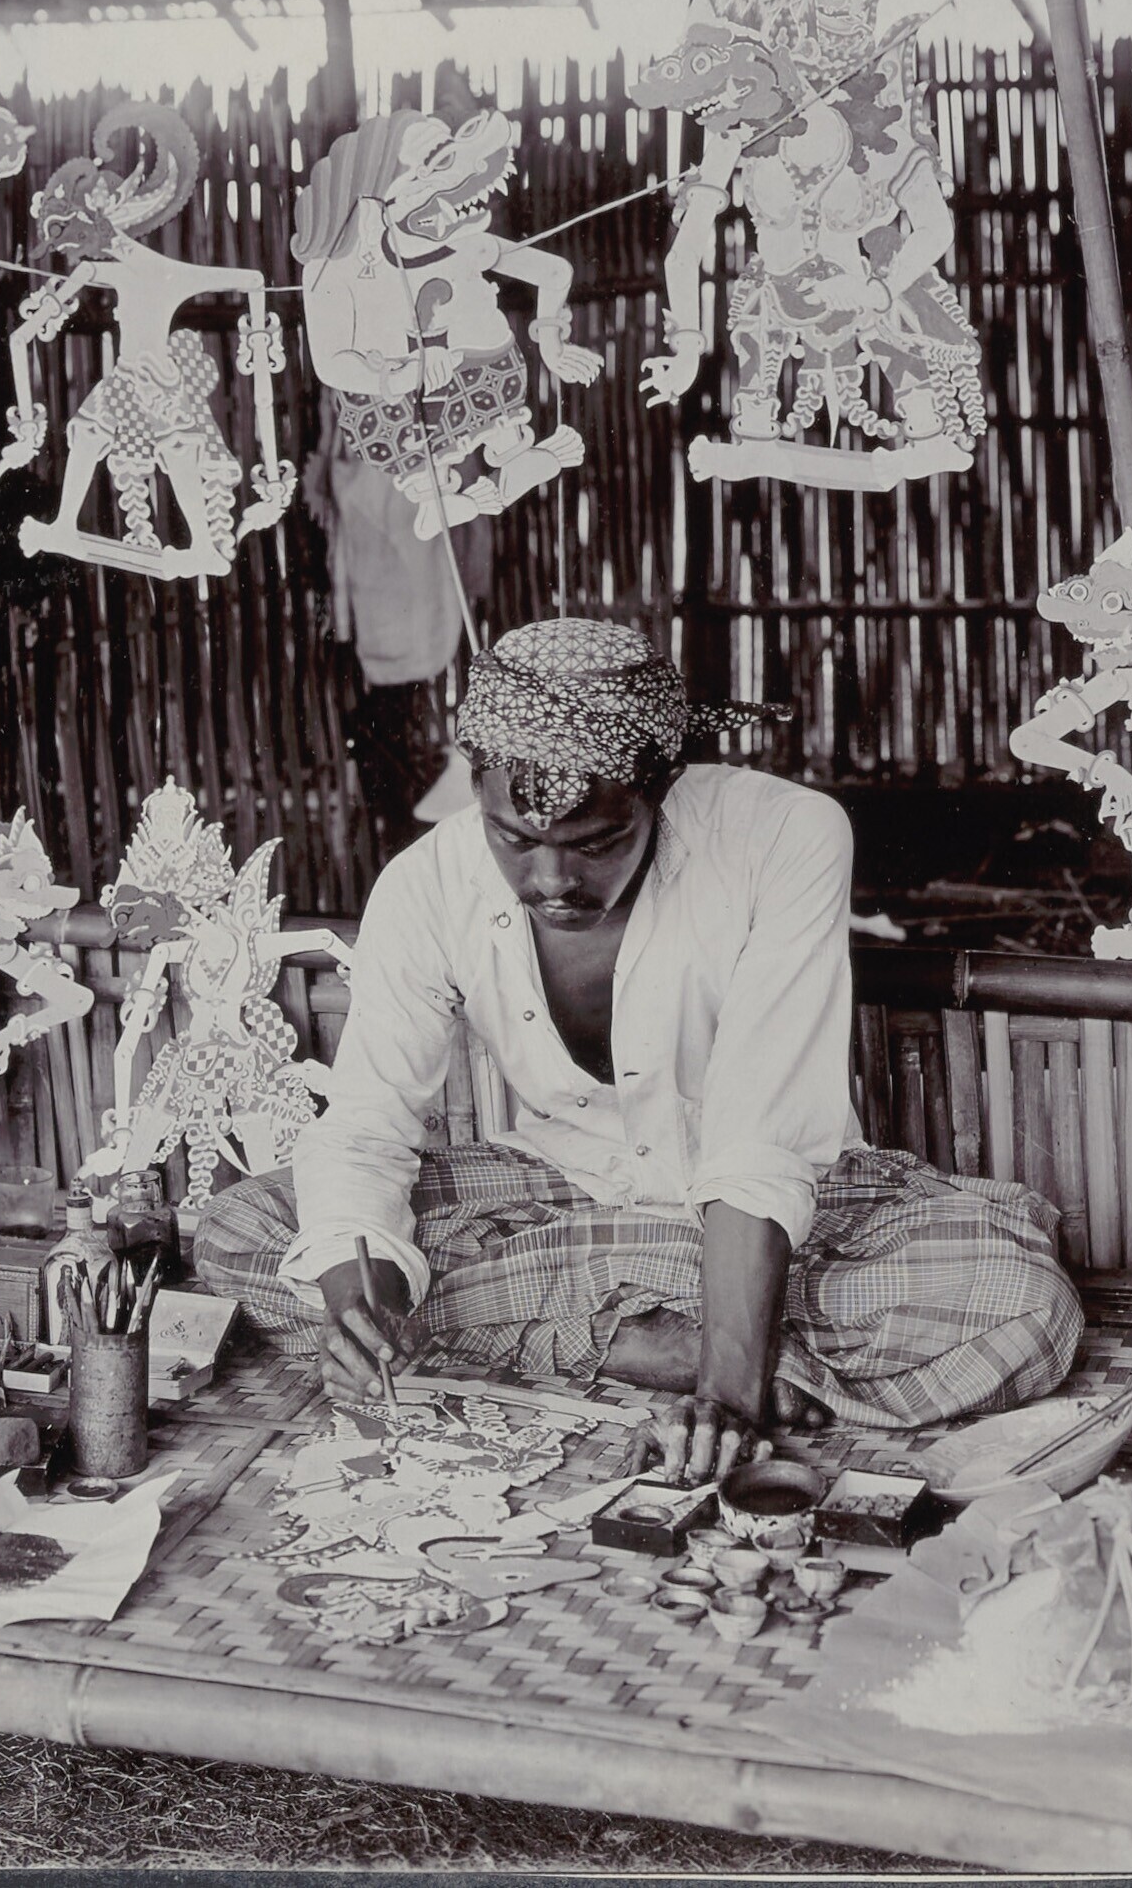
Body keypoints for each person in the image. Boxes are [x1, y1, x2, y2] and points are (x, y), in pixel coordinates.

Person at [196, 618, 1082, 1485]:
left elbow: (759, 1135)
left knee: (1022, 1304)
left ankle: (642, 1338)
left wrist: (723, 1398)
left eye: (596, 842)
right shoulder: (424, 884)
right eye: (514, 838)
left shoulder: (783, 834)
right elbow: (364, 1128)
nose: (551, 880)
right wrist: (366, 1306)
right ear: (476, 788)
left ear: (661, 784)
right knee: (244, 1227)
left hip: (772, 1213)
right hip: (566, 1182)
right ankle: (683, 1345)